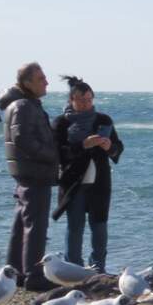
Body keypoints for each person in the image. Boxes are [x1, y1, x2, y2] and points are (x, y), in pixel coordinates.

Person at [0, 61, 59, 291]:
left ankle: (16, 273)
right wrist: (51, 155)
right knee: (35, 226)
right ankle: (34, 276)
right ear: (27, 83)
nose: (46, 82)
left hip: (26, 174)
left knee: (22, 224)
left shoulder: (24, 104)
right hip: (34, 174)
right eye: (41, 78)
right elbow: (22, 139)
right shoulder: (23, 106)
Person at [51, 75, 123, 274]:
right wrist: (83, 144)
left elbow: (118, 147)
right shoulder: (61, 123)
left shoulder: (103, 120)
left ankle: (98, 268)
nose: (85, 104)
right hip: (73, 181)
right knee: (75, 226)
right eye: (81, 100)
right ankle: (73, 268)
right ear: (71, 101)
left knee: (99, 226)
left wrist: (110, 147)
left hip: (99, 182)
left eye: (89, 100)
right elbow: (57, 153)